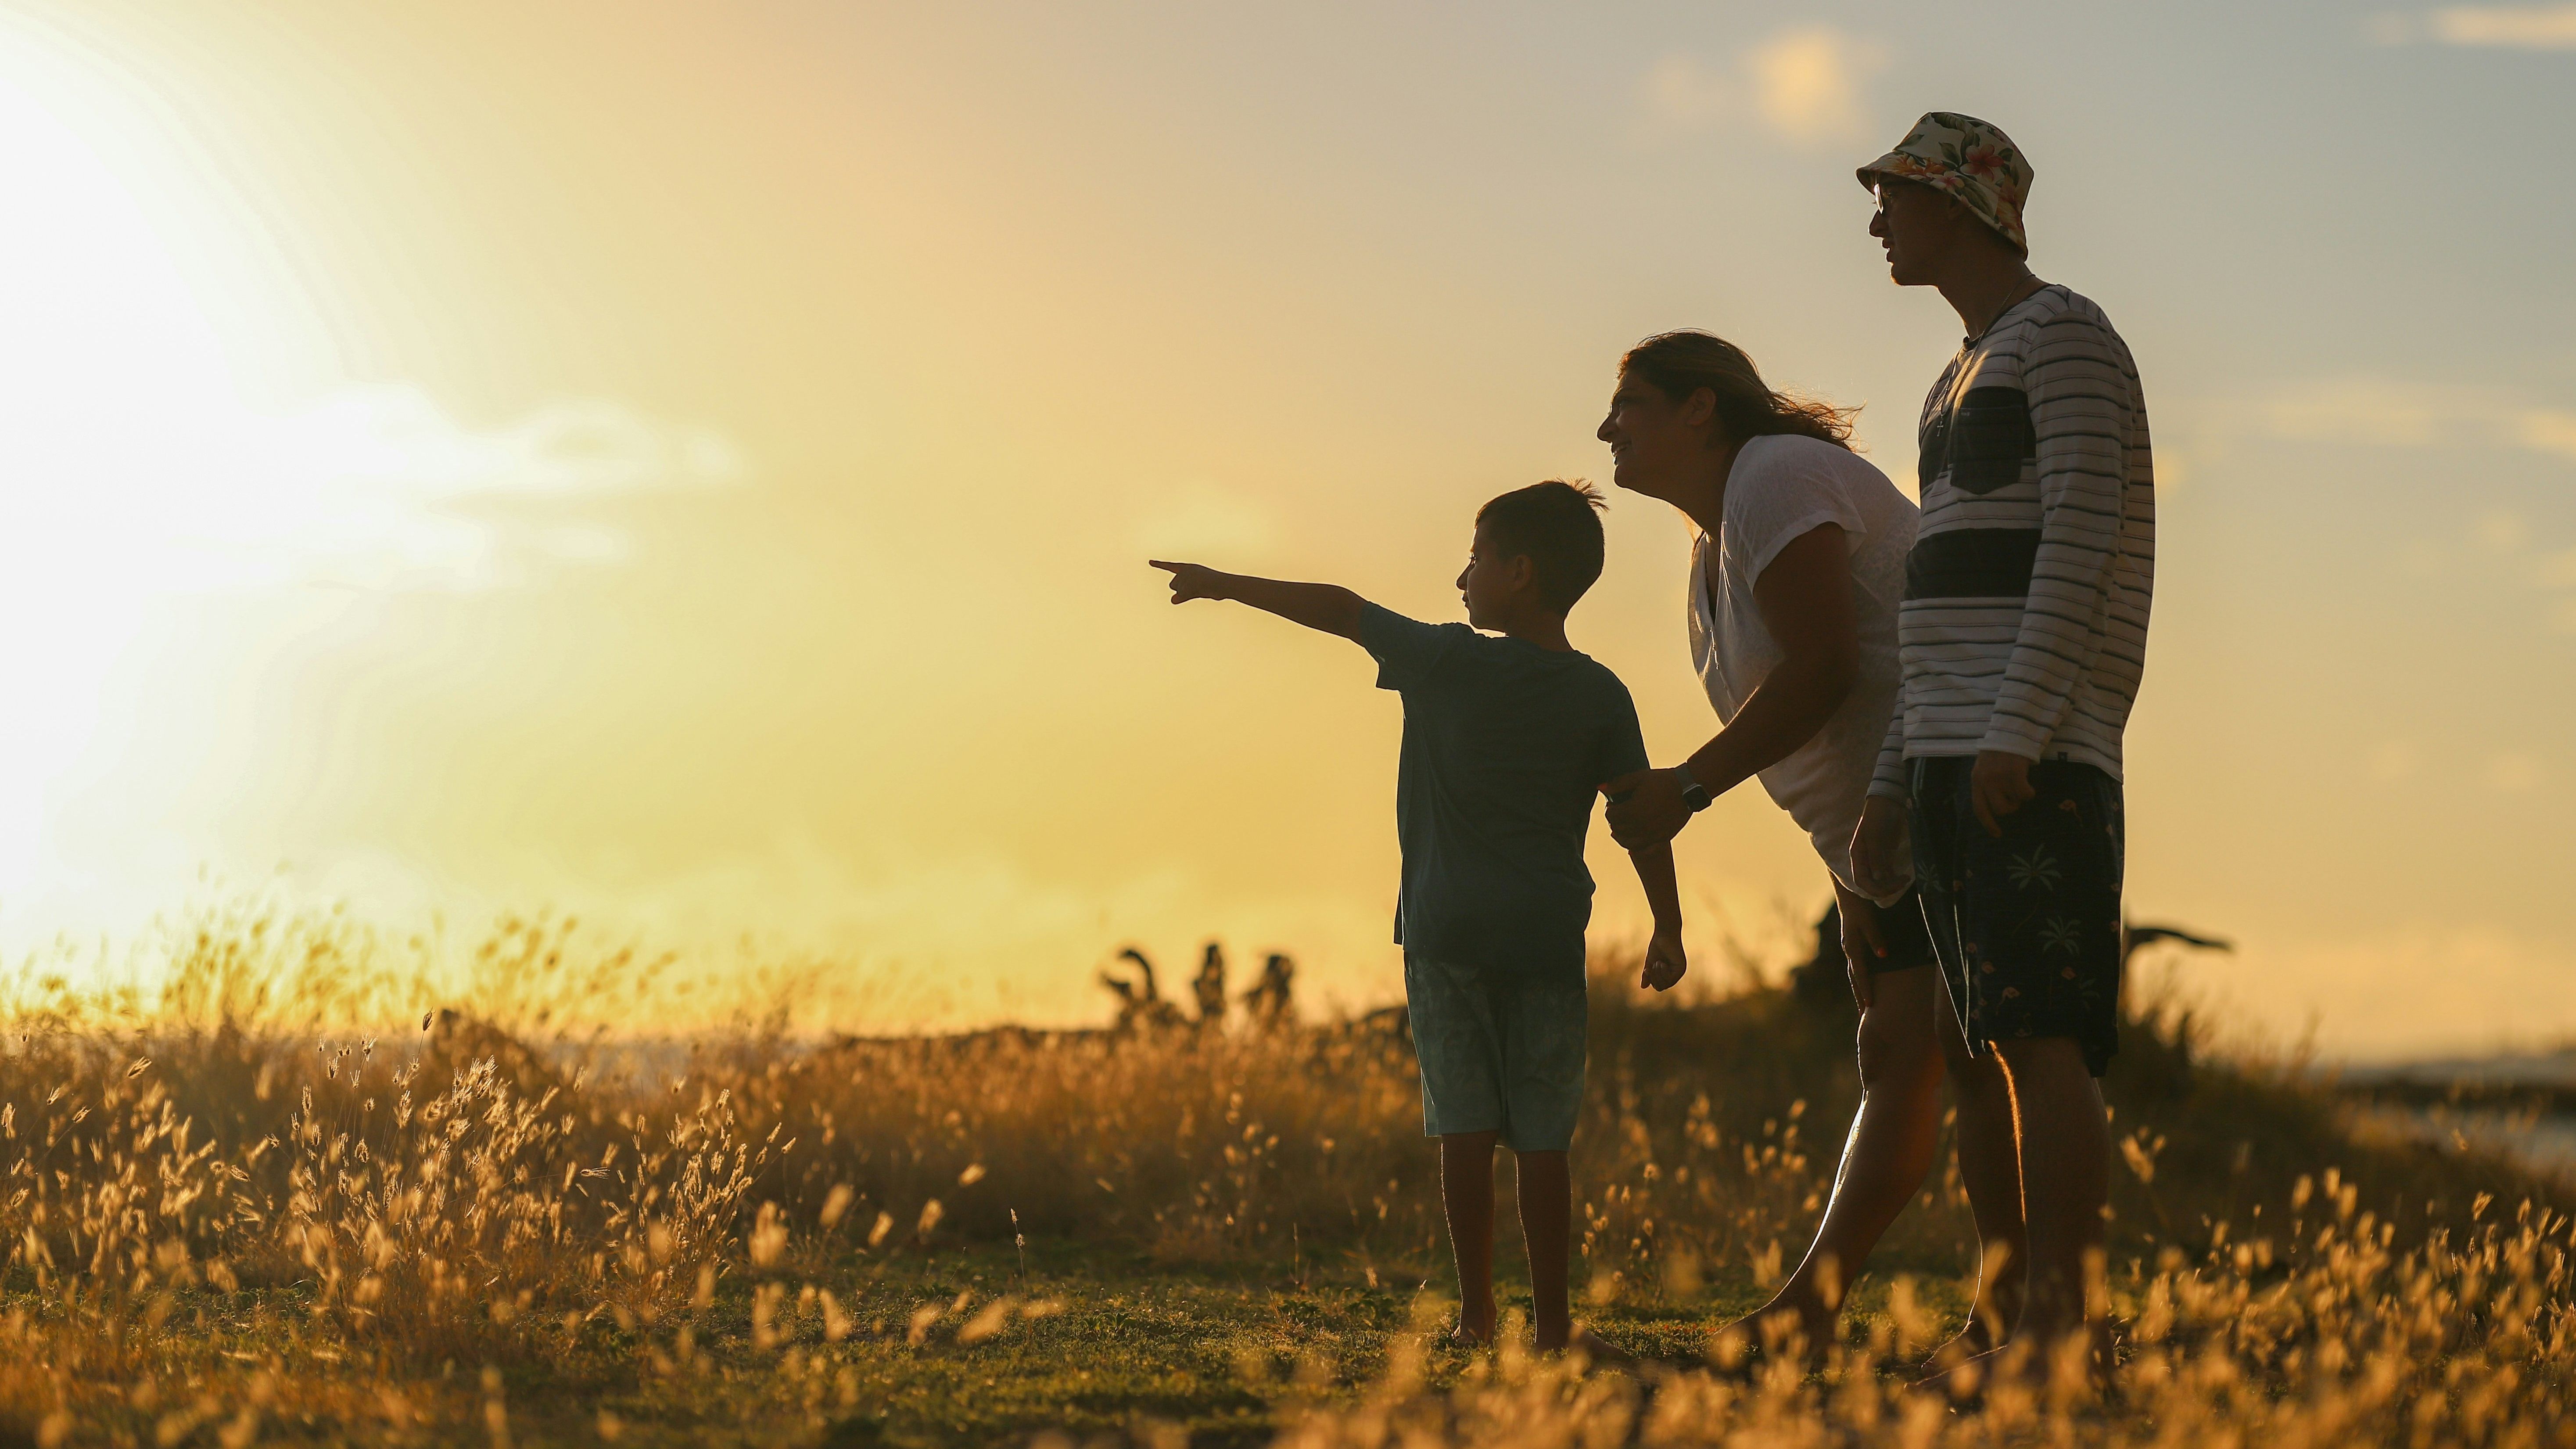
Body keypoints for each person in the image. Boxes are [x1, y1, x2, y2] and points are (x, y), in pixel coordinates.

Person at [1150, 480, 1685, 1357]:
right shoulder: (1601, 694)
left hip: (1445, 933)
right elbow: (1638, 815)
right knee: (1543, 1139)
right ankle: (1553, 1329)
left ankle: (1477, 1319)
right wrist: (1667, 926)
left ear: (1518, 572)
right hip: (1547, 936)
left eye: (1476, 557)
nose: (1462, 575)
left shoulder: (1445, 659)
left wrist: (1227, 583)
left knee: (1464, 1127)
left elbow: (1341, 609)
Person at [1597, 331, 2020, 1359]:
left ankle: (1998, 1315)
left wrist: (1689, 785)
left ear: (1701, 409)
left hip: (1958, 781)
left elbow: (1829, 666)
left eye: (1631, 405)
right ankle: (1892, 1311)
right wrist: (1851, 887)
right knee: (1905, 1055)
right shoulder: (1718, 542)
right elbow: (1835, 709)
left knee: (1970, 1056)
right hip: (1885, 828)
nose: (1608, 428)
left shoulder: (1774, 478)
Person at [1847, 112, 2155, 1387]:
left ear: (1964, 211)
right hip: (1945, 754)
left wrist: (2019, 728)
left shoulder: (2067, 338)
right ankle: (1996, 1321)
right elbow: (1937, 593)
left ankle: (2056, 1335)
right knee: (1975, 1050)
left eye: (1894, 198)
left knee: (2040, 1039)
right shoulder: (1955, 372)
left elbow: (2083, 546)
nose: (1876, 221)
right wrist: (1887, 777)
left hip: (2027, 752)